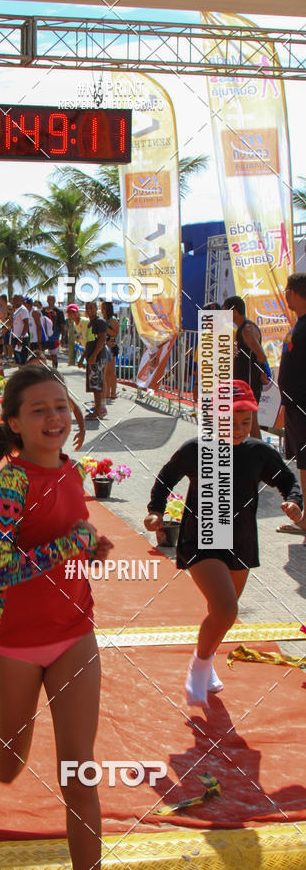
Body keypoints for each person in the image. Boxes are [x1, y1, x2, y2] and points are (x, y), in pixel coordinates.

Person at [0, 362, 112, 870]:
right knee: (9, 769)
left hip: (74, 634)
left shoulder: (71, 469)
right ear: (16, 423)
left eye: (60, 406)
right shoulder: (10, 483)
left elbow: (71, 533)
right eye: (38, 410)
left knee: (79, 771)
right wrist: (65, 546)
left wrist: (90, 547)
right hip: (12, 640)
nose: (54, 417)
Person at [144, 380, 302, 709]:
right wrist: (155, 511)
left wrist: (293, 502)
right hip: (200, 541)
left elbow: (288, 480)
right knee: (227, 608)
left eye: (247, 422)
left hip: (241, 542)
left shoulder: (257, 452)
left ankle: (206, 659)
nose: (241, 429)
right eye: (233, 421)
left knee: (222, 614)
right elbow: (164, 478)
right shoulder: (195, 449)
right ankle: (198, 669)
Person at [277, 272, 306, 533]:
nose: (284, 294)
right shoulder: (298, 324)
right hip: (295, 408)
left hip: (302, 407)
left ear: (295, 292)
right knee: (302, 462)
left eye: (287, 289)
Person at [223, 295, 271, 439]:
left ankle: (260, 455)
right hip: (242, 383)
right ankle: (248, 451)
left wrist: (263, 372)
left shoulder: (247, 330)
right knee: (242, 421)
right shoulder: (241, 329)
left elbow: (261, 356)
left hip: (249, 384)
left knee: (252, 423)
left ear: (234, 312)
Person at [84, 301, 108, 419]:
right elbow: (89, 342)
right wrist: (83, 357)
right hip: (91, 358)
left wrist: (94, 355)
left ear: (96, 308)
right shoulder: (90, 324)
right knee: (94, 386)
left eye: (91, 308)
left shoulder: (100, 322)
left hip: (97, 358)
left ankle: (98, 412)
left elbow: (102, 339)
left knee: (97, 386)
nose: (88, 310)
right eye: (87, 308)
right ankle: (98, 410)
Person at [101, 301, 119, 401]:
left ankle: (113, 392)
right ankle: (107, 392)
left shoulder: (113, 320)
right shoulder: (104, 319)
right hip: (105, 346)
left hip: (111, 347)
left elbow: (115, 334)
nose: (102, 310)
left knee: (110, 371)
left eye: (104, 308)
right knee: (105, 371)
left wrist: (106, 327)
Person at [43, 294, 66, 368]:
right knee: (41, 354)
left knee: (54, 355)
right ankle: (44, 370)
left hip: (55, 336)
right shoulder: (43, 311)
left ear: (54, 301)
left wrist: (63, 337)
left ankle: (55, 370)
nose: (50, 301)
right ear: (47, 300)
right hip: (44, 336)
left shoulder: (59, 312)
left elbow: (62, 325)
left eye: (51, 299)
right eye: (48, 299)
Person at [11, 293, 30, 365]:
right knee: (18, 360)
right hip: (15, 337)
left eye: (16, 299)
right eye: (14, 299)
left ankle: (24, 375)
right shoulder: (15, 310)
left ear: (21, 300)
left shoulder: (23, 310)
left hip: (22, 338)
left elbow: (26, 324)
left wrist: (21, 338)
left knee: (23, 359)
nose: (14, 300)